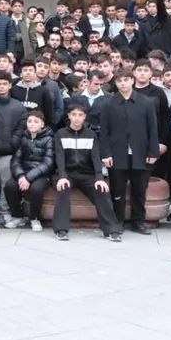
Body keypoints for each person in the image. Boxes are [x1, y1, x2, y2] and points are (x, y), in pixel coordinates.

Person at [99, 69, 160, 236]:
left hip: (141, 153)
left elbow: (153, 129)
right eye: (119, 81)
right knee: (117, 191)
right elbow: (104, 131)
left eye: (126, 80)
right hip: (117, 154)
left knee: (139, 191)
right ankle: (117, 221)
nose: (123, 83)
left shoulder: (146, 102)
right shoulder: (108, 103)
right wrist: (106, 154)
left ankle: (138, 221)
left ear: (132, 81)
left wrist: (153, 152)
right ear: (115, 83)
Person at [51, 103, 122, 241]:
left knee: (102, 191)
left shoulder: (91, 135)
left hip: (87, 174)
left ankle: (111, 230)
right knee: (63, 189)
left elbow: (96, 157)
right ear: (69, 116)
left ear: (85, 117)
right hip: (67, 174)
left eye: (80, 115)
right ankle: (61, 230)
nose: (77, 118)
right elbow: (59, 157)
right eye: (74, 114)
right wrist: (62, 176)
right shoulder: (60, 134)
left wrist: (99, 178)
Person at [0, 70, 26, 223]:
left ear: (10, 86)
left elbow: (21, 127)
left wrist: (13, 142)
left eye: (4, 84)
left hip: (9, 152)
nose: (1, 87)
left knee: (6, 184)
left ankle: (5, 210)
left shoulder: (18, 106)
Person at [6, 110, 54, 232]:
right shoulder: (24, 137)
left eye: (36, 121)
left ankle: (35, 218)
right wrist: (21, 175)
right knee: (10, 186)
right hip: (24, 172)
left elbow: (48, 163)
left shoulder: (49, 139)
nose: (32, 124)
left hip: (42, 175)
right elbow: (16, 160)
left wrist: (29, 178)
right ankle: (18, 216)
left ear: (42, 124)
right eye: (29, 121)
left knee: (36, 189)